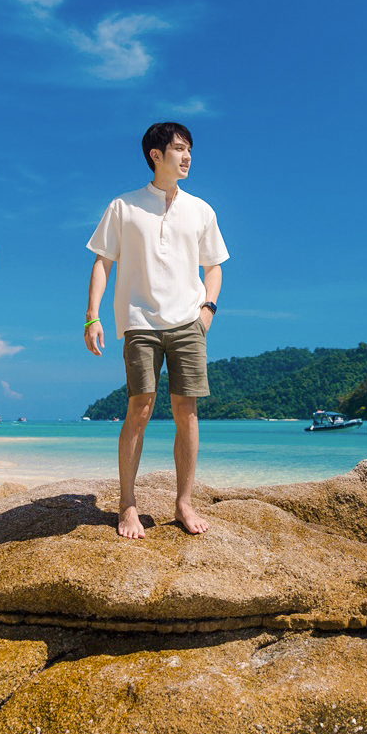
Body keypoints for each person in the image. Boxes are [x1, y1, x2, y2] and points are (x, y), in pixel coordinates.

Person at [84, 122, 228, 539]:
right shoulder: (123, 207)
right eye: (179, 149)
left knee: (187, 412)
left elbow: (214, 265)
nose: (187, 157)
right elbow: (102, 262)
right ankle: (127, 506)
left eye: (190, 150)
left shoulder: (201, 210)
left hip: (188, 323)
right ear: (156, 155)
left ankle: (183, 502)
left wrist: (207, 312)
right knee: (139, 408)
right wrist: (92, 315)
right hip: (139, 322)